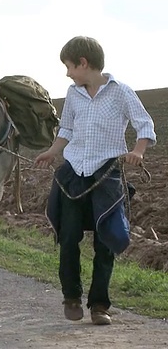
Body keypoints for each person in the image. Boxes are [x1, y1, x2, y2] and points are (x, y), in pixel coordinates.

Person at [34, 36, 156, 325]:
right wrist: (52, 152)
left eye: (69, 67)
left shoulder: (121, 92)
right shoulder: (73, 93)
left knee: (105, 242)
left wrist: (138, 151)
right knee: (68, 237)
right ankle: (71, 298)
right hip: (74, 172)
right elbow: (67, 129)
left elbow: (145, 124)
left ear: (83, 63)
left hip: (107, 175)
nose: (67, 73)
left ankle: (100, 305)